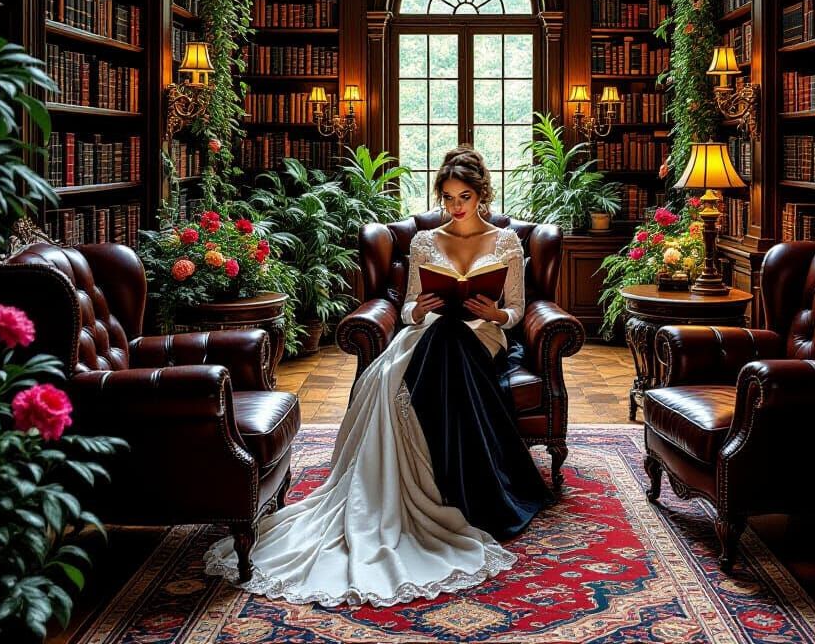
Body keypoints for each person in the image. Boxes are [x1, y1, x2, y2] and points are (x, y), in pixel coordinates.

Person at [205, 145, 554, 608]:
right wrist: (419, 308)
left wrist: (497, 312)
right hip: (429, 333)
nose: (455, 206)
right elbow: (408, 308)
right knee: (419, 347)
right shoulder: (425, 242)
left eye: (464, 196)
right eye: (448, 197)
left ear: (481, 195)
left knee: (454, 334)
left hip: (483, 336)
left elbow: (516, 311)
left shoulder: (506, 242)